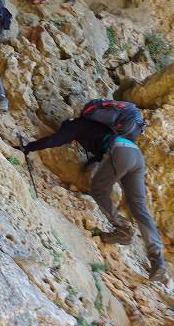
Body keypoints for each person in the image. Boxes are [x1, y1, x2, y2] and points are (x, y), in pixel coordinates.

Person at [19, 115, 166, 282]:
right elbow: (102, 149)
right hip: (136, 155)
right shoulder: (96, 127)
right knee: (138, 205)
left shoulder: (73, 125)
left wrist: (28, 147)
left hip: (119, 151)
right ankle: (156, 258)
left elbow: (55, 140)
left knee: (98, 190)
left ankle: (123, 228)